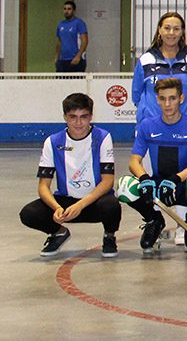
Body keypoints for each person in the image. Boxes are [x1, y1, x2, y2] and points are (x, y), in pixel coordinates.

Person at [19, 93, 119, 258]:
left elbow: (107, 181)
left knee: (111, 205)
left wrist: (80, 205)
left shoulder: (102, 138)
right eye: (73, 117)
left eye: (84, 117)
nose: (78, 123)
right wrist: (57, 208)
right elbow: (43, 186)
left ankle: (109, 236)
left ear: (91, 116)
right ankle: (59, 233)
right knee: (29, 213)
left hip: (94, 203)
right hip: (65, 203)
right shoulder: (53, 142)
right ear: (65, 117)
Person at [124, 78, 187, 254]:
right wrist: (144, 178)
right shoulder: (147, 125)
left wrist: (176, 179)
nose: (167, 104)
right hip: (159, 185)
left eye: (172, 98)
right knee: (125, 187)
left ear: (181, 98)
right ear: (157, 99)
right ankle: (154, 221)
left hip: (182, 185)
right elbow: (134, 161)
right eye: (162, 99)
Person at [132, 11, 187, 123]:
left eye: (176, 29)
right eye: (167, 28)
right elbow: (136, 95)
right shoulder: (146, 60)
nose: (171, 33)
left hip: (186, 125)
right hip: (152, 125)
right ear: (159, 30)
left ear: (182, 32)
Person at [55, 0, 88, 72]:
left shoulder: (79, 23)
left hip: (76, 60)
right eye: (65, 9)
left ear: (74, 10)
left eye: (69, 9)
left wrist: (78, 56)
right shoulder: (60, 24)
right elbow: (59, 42)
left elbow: (84, 41)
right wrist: (57, 57)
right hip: (62, 60)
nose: (66, 11)